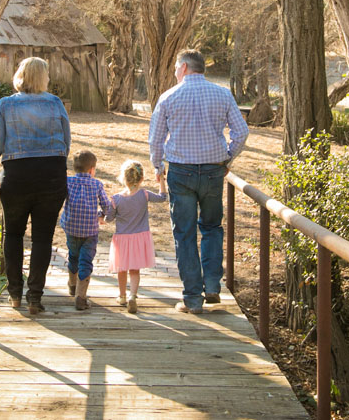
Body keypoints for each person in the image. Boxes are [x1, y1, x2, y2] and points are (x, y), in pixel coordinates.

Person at [148, 49, 249, 314]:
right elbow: (241, 131)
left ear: (183, 67)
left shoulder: (169, 97)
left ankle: (193, 298)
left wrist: (158, 166)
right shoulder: (223, 94)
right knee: (213, 227)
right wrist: (227, 159)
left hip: (181, 173)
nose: (174, 73)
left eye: (175, 68)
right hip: (214, 171)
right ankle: (213, 284)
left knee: (184, 233)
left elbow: (156, 138)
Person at [0, 57, 71, 316]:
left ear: (19, 76)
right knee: (43, 237)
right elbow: (66, 144)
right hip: (52, 174)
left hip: (18, 176)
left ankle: (14, 294)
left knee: (13, 234)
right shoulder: (55, 103)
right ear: (43, 77)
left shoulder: (5, 105)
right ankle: (35, 296)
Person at [105, 160, 167, 314]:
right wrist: (162, 180)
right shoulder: (144, 194)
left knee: (121, 269)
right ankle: (133, 295)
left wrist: (103, 215)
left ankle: (122, 296)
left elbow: (108, 219)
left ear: (123, 178)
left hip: (122, 239)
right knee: (134, 270)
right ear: (141, 179)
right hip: (139, 238)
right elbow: (162, 197)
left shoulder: (116, 199)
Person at [60, 150, 111, 311]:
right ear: (92, 170)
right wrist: (100, 215)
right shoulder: (96, 185)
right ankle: (81, 297)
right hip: (90, 231)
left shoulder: (67, 182)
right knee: (86, 262)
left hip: (71, 227)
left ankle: (72, 285)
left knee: (73, 256)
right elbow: (107, 206)